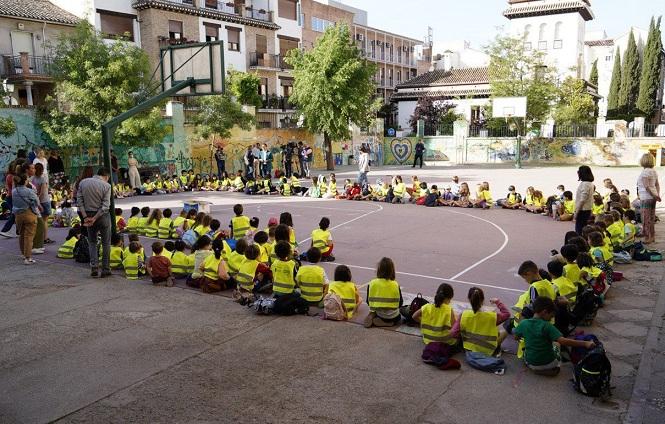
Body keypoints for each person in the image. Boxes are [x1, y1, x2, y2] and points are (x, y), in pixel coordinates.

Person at [514, 297, 595, 376]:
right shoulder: (547, 326)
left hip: (530, 361)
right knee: (557, 344)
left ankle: (532, 366)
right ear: (544, 312)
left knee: (527, 352)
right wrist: (585, 343)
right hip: (548, 363)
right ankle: (548, 369)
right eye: (551, 316)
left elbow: (516, 337)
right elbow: (563, 341)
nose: (551, 319)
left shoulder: (524, 323)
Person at [451, 287, 510, 374]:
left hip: (470, 348)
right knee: (505, 331)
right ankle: (497, 348)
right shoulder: (492, 316)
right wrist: (498, 302)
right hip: (489, 349)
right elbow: (507, 314)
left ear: (469, 299)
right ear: (483, 300)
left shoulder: (464, 315)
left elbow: (453, 333)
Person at [77, 167, 112, 278]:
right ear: (106, 176)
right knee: (106, 243)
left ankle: (94, 267)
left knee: (92, 242)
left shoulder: (83, 182)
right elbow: (105, 206)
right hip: (102, 216)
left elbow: (79, 201)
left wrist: (86, 217)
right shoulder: (107, 186)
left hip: (88, 215)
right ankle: (105, 269)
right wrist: (95, 217)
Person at [412, 283, 458, 349]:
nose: (450, 302)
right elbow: (454, 328)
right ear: (447, 299)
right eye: (450, 299)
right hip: (445, 342)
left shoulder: (427, 307)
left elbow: (414, 316)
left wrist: (422, 322)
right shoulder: (448, 309)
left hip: (428, 340)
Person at [11, 172, 42, 264]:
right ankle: (28, 258)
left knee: (21, 234)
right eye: (27, 178)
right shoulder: (29, 191)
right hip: (29, 214)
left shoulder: (14, 191)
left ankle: (23, 254)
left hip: (18, 215)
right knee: (29, 236)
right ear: (25, 181)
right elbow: (37, 202)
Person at [364, 257, 403, 328]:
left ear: (379, 270)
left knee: (375, 310)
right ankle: (388, 323)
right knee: (399, 317)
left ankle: (372, 314)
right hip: (394, 316)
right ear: (392, 270)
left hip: (380, 314)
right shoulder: (395, 284)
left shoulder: (372, 283)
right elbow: (400, 303)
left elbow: (368, 301)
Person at [637, 153, 660, 244]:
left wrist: (654, 195)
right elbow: (657, 185)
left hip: (646, 197)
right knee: (651, 217)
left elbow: (646, 186)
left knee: (645, 218)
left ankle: (647, 237)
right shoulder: (653, 171)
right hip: (652, 197)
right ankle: (652, 236)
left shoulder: (645, 171)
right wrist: (656, 194)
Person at [32, 163, 53, 244]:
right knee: (45, 221)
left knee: (38, 220)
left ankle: (37, 238)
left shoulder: (32, 179)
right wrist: (38, 199)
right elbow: (43, 192)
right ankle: (45, 238)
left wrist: (36, 200)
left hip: (36, 201)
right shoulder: (43, 179)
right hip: (44, 201)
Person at [575, 165, 595, 235]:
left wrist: (577, 211)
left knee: (579, 228)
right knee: (583, 227)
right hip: (587, 209)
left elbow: (582, 199)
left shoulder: (585, 184)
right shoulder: (590, 184)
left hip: (582, 209)